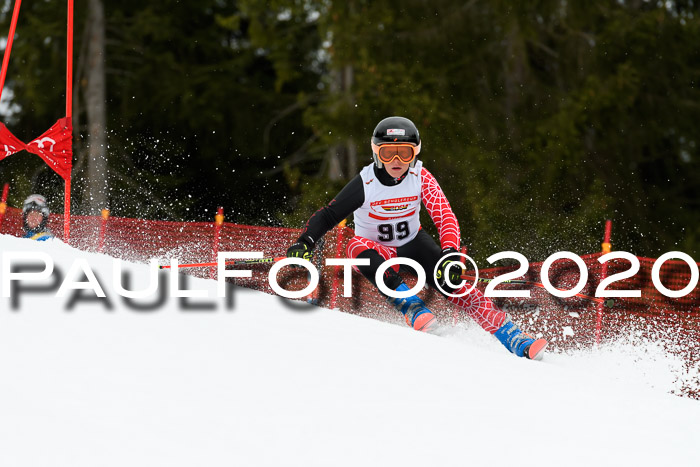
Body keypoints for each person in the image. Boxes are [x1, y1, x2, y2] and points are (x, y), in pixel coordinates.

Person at [286, 116, 547, 359]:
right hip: (377, 250)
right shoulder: (365, 183)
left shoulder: (420, 176)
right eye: (389, 152)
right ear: (377, 152)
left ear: (416, 152)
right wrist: (305, 241)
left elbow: (444, 215)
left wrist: (450, 255)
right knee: (355, 246)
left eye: (405, 152)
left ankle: (514, 339)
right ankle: (411, 307)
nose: (397, 160)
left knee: (454, 284)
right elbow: (329, 214)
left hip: (413, 244)